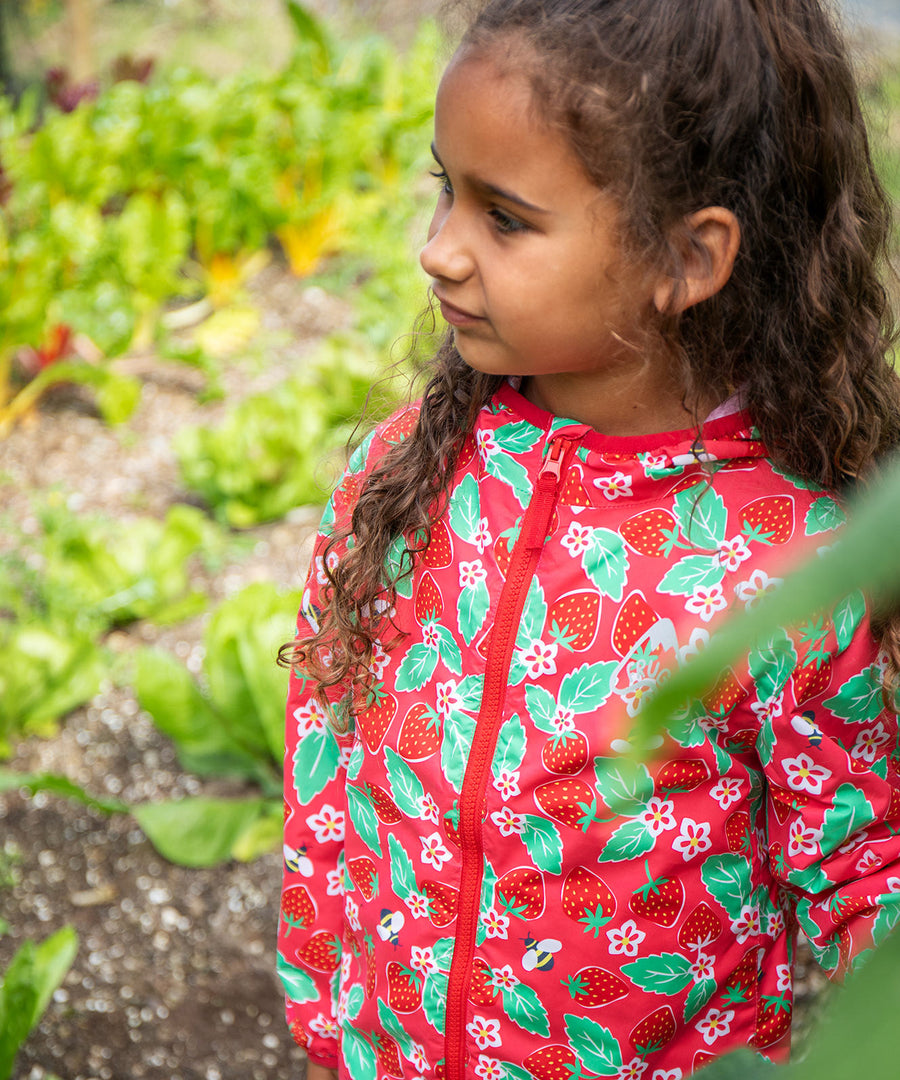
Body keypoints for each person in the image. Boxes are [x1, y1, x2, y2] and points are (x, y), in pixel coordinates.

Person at [277, 1, 900, 1077]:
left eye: (504, 218)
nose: (439, 252)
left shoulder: (790, 570)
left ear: (689, 257)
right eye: (446, 191)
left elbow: (860, 874)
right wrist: (326, 1009)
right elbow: (331, 744)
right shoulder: (405, 469)